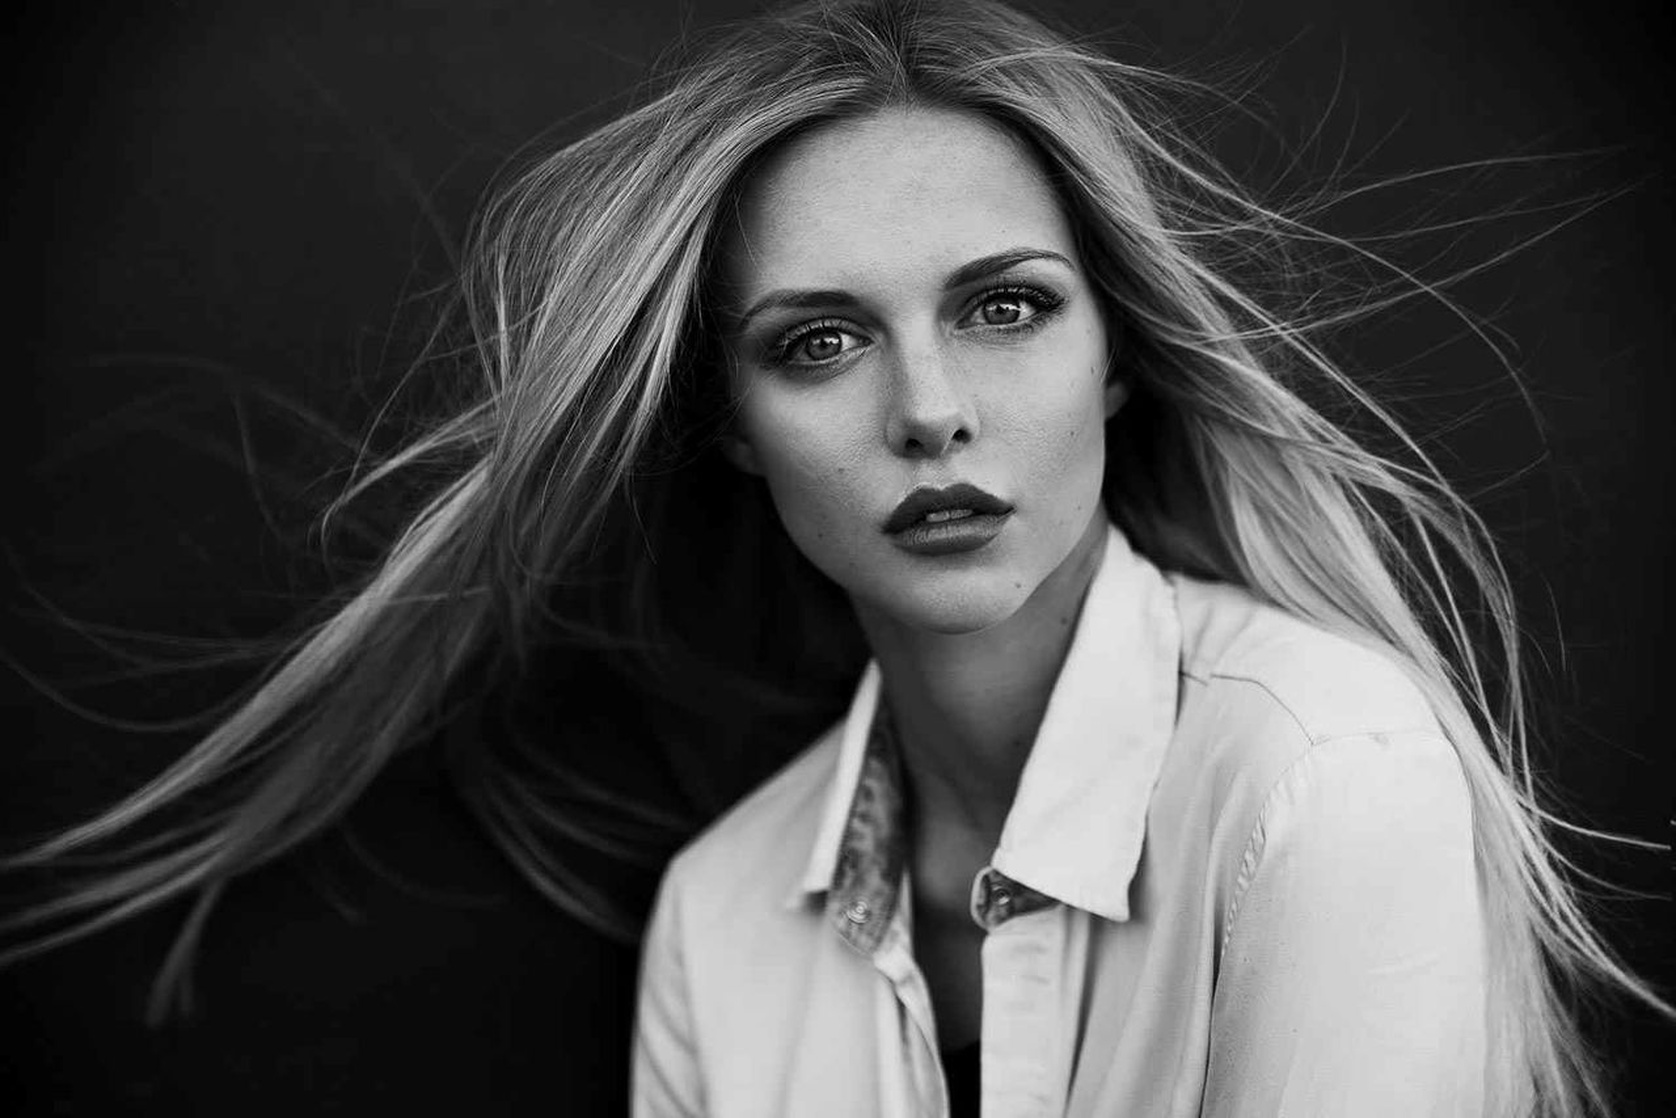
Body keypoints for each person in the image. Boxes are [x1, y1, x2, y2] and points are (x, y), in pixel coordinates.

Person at [2, 0, 1667, 1115]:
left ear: (1121, 355)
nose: (928, 410)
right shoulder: (721, 922)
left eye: (1005, 306)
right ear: (731, 423)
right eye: (818, 343)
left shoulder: (1321, 777)